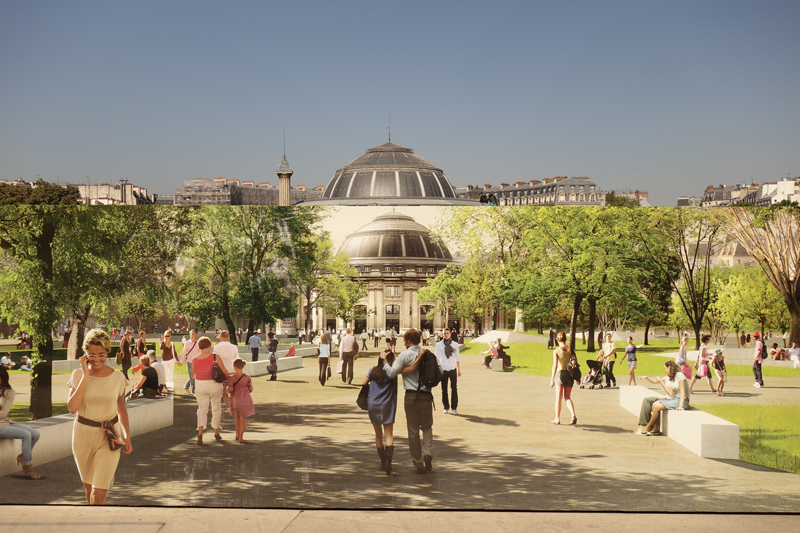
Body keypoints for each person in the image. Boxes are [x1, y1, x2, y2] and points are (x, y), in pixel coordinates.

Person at [67, 329, 132, 505]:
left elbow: (121, 408)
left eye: (101, 355)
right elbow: (73, 408)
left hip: (109, 436)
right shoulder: (78, 375)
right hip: (83, 436)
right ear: (85, 354)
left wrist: (126, 436)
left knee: (98, 494)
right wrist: (85, 376)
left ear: (107, 352)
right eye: (92, 355)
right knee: (89, 491)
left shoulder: (117, 377)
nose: (96, 359)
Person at [382, 329, 429, 474]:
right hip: (427, 395)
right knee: (427, 428)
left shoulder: (404, 355)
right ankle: (428, 453)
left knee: (413, 430)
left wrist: (384, 359)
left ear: (408, 341)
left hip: (411, 396)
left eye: (404, 340)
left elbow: (390, 373)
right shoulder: (428, 354)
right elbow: (439, 372)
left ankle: (418, 462)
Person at [363, 349, 401, 475]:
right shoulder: (392, 372)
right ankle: (389, 464)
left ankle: (383, 461)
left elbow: (364, 383)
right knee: (389, 435)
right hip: (387, 404)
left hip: (373, 404)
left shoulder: (373, 370)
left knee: (378, 435)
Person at [0, 367, 42, 479]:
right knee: (26, 434)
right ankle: (29, 467)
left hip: (4, 421)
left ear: (2, 379)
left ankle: (23, 457)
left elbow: (4, 413)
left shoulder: (9, 392)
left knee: (35, 434)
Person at [636, 361, 690, 436]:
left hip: (683, 400)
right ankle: (655, 429)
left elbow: (682, 392)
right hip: (675, 399)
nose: (664, 370)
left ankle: (648, 427)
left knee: (657, 406)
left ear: (670, 368)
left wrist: (680, 406)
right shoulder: (672, 377)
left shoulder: (680, 375)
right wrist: (660, 382)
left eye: (665, 368)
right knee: (655, 404)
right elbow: (671, 393)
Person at [193, 336, 227, 444]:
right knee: (216, 407)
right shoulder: (215, 357)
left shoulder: (194, 359)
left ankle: (200, 433)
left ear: (199, 347)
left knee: (202, 409)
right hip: (214, 384)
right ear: (209, 346)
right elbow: (224, 370)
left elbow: (194, 374)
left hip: (200, 384)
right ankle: (216, 431)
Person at [549, 331, 577, 425]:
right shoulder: (571, 349)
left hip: (561, 374)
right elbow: (575, 363)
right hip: (570, 375)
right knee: (567, 397)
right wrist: (577, 378)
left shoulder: (557, 351)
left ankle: (557, 418)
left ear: (557, 339)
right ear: (565, 339)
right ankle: (573, 414)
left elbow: (555, 365)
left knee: (558, 398)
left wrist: (552, 379)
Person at [435, 328, 461, 415]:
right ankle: (446, 407)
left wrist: (459, 370)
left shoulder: (455, 344)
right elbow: (436, 358)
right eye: (444, 333)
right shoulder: (439, 345)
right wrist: (437, 369)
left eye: (447, 333)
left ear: (450, 334)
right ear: (443, 334)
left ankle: (454, 408)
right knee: (444, 389)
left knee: (454, 388)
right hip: (443, 369)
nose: (446, 335)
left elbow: (457, 358)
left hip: (452, 368)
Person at [228, 359, 255, 444]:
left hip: (235, 399)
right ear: (243, 367)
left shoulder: (231, 378)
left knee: (238, 417)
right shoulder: (247, 377)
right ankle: (241, 437)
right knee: (243, 418)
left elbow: (230, 389)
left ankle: (237, 433)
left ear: (234, 367)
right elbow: (250, 389)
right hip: (245, 399)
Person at [213, 331, 238, 406]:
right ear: (228, 337)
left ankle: (227, 405)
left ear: (220, 337)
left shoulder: (216, 347)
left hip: (221, 371)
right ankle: (233, 405)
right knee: (233, 389)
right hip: (232, 371)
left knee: (224, 390)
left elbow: (215, 360)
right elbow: (237, 359)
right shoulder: (234, 347)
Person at [180, 328, 201, 395]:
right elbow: (184, 352)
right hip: (189, 361)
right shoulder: (187, 343)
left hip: (197, 362)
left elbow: (200, 352)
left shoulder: (198, 343)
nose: (193, 334)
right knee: (192, 376)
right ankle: (193, 390)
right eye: (192, 333)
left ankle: (186, 386)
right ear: (189, 334)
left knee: (194, 376)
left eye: (194, 333)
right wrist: (181, 361)